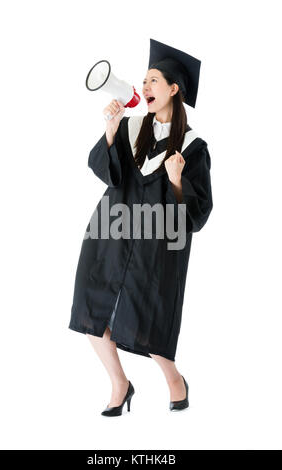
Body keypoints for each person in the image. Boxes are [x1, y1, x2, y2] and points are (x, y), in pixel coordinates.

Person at [68, 39, 213, 416]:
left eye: (153, 80)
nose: (145, 87)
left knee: (146, 322)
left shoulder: (193, 147)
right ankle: (120, 383)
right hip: (111, 232)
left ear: (173, 88)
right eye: (143, 82)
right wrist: (112, 130)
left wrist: (177, 179)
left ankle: (174, 379)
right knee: (90, 308)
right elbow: (106, 173)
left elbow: (197, 215)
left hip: (156, 243)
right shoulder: (133, 128)